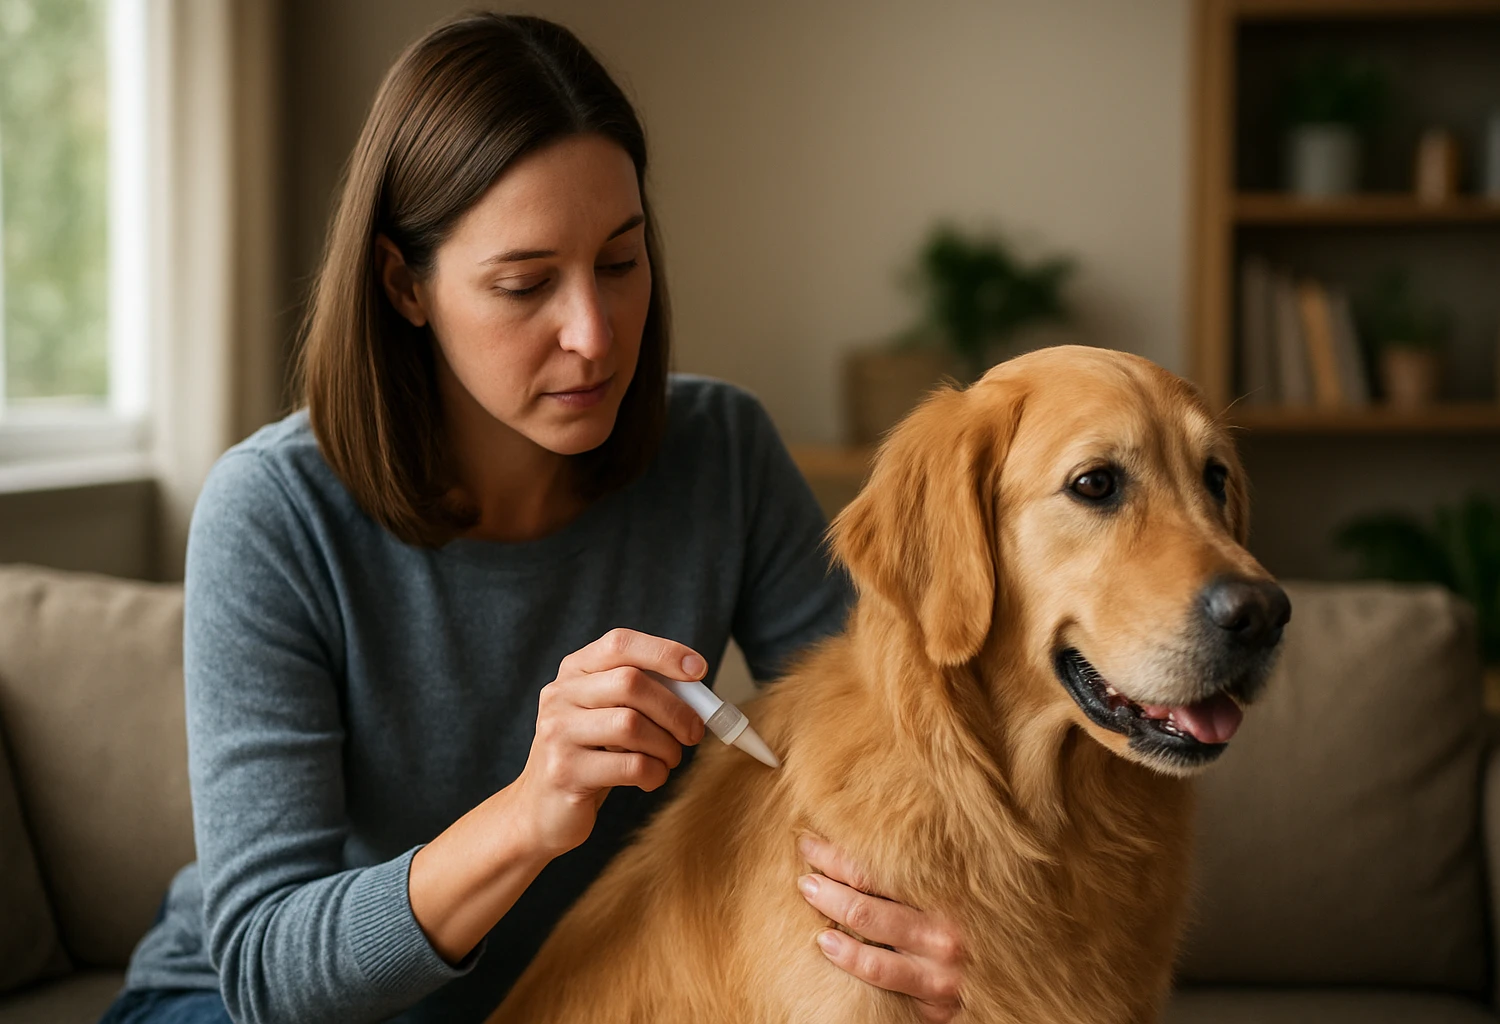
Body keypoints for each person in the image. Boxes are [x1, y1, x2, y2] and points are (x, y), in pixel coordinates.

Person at [99, 12, 965, 1024]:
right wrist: (530, 814)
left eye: (620, 262)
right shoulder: (271, 512)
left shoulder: (720, 452)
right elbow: (264, 971)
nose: (594, 335)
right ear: (402, 285)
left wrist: (941, 932)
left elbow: (891, 744)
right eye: (523, 283)